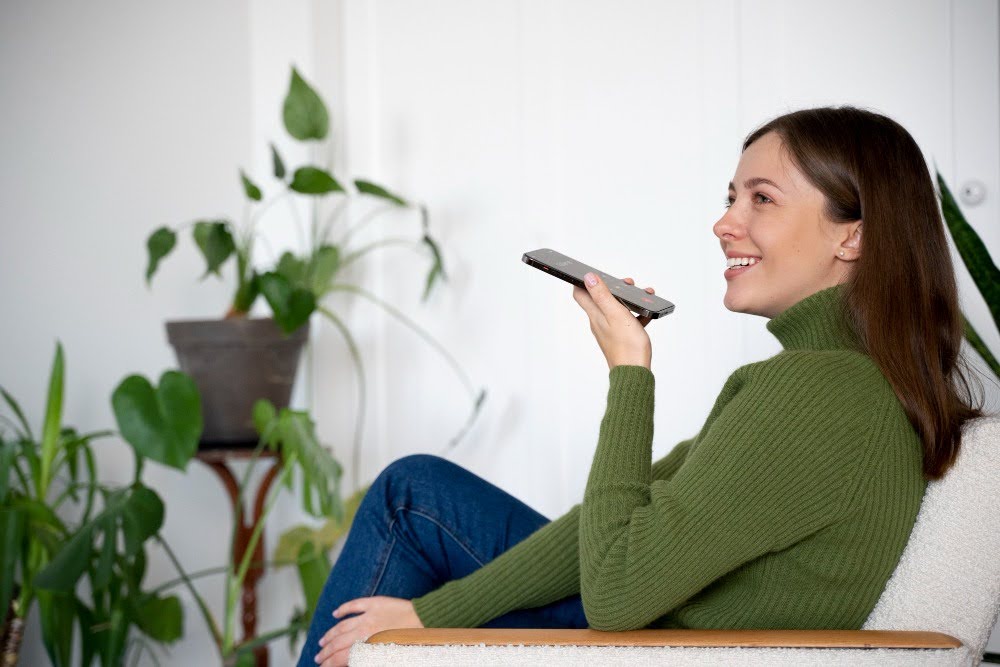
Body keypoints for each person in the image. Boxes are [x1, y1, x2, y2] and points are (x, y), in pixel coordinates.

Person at [298, 105, 985, 667]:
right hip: (665, 633)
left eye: (761, 199)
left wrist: (629, 372)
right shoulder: (842, 382)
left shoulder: (818, 392)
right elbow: (617, 526)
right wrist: (428, 615)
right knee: (420, 491)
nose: (725, 222)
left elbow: (617, 590)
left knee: (411, 495)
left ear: (852, 238)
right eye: (730, 197)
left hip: (661, 647)